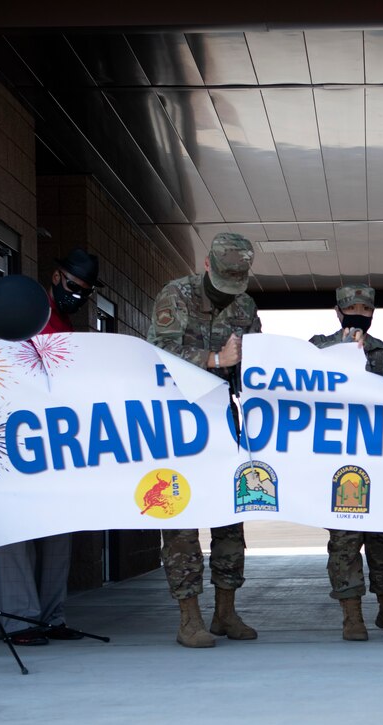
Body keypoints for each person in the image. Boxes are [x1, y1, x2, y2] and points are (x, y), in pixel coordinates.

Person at [147, 233, 261, 648]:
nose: (229, 294)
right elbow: (158, 350)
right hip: (177, 426)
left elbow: (256, 364)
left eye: (237, 285)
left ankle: (225, 613)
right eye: (222, 283)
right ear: (207, 265)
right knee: (180, 521)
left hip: (224, 425)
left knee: (231, 519)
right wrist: (214, 360)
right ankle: (188, 618)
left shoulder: (246, 307)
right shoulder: (175, 295)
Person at [0, 248, 103, 645]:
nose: (78, 294)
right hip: (14, 436)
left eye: (86, 292)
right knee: (16, 532)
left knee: (58, 530)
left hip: (57, 441)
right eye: (74, 286)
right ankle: (20, 621)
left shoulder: (66, 324)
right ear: (57, 276)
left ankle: (52, 616)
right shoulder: (24, 309)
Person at [309, 284, 383, 641]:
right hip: (336, 466)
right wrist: (340, 354)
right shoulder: (316, 349)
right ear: (338, 312)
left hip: (379, 462)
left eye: (366, 309)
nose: (359, 314)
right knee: (344, 541)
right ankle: (351, 616)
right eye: (352, 308)